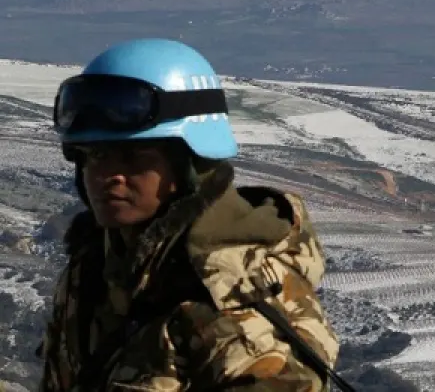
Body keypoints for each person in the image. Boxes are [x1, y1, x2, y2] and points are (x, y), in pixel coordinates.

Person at [39, 38, 342, 391]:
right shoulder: (98, 265)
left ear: (190, 165)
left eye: (135, 157)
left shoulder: (226, 302)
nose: (109, 176)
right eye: (95, 156)